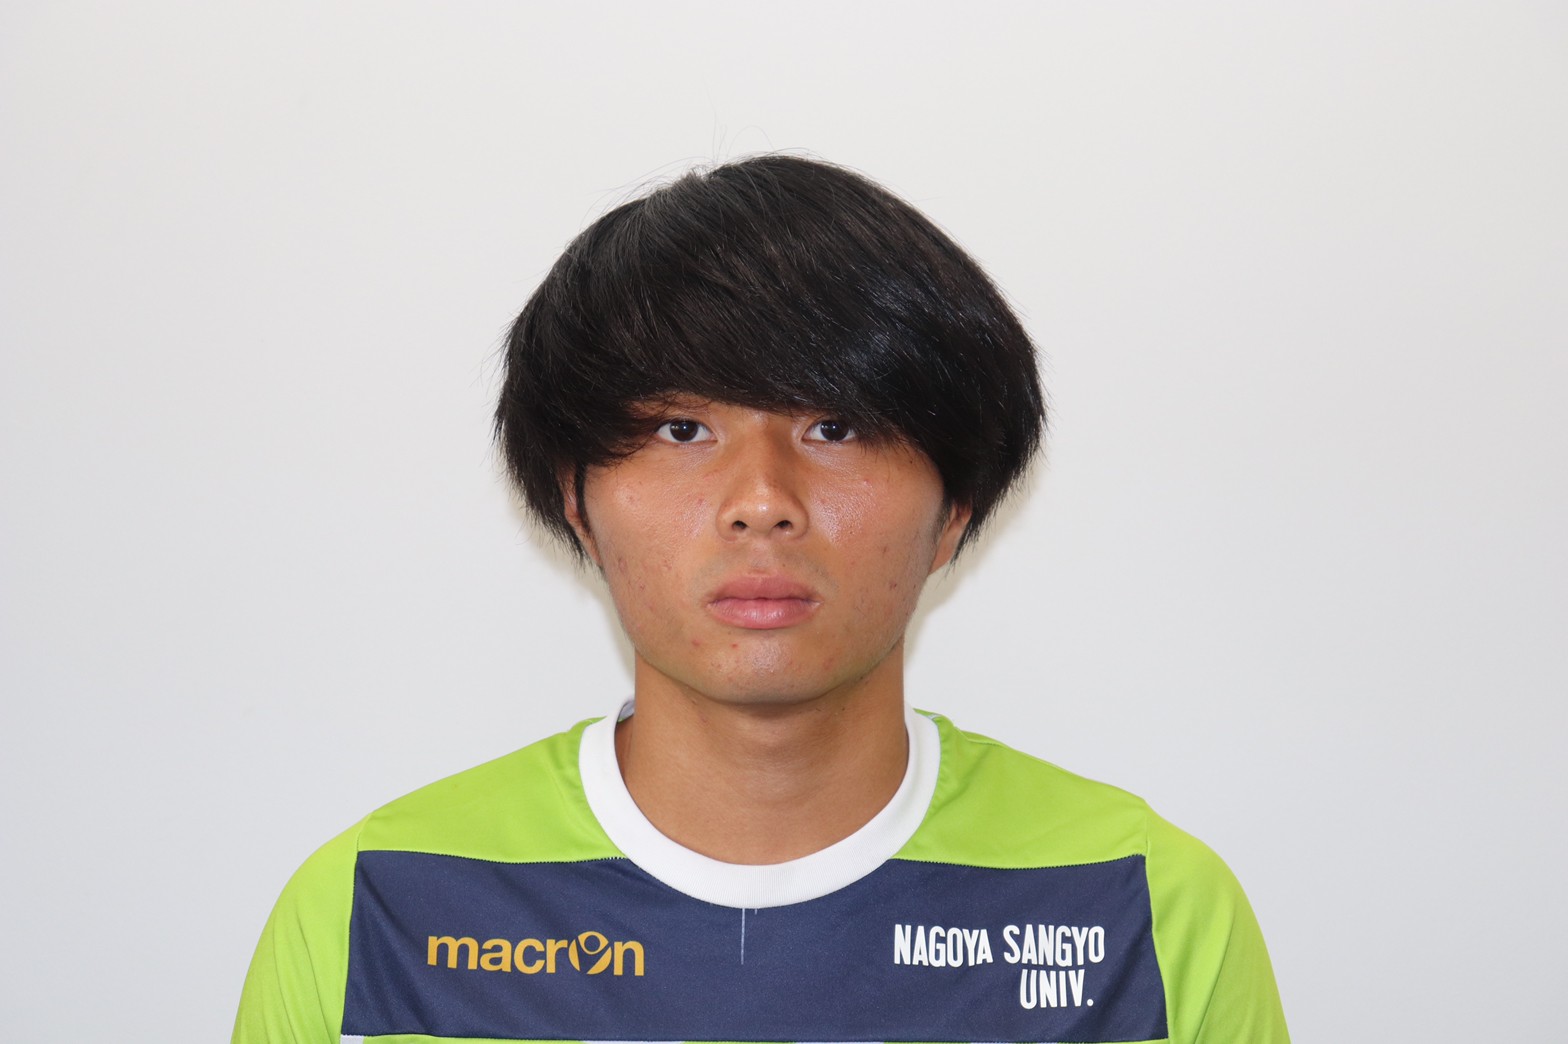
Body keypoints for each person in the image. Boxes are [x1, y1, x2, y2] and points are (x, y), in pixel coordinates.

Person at [233, 154, 1290, 1044]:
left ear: (954, 510)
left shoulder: (1138, 906)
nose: (761, 503)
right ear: (577, 503)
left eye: (834, 427)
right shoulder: (384, 907)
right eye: (681, 430)